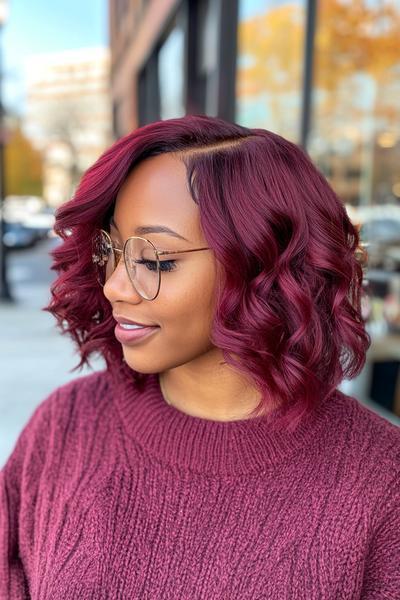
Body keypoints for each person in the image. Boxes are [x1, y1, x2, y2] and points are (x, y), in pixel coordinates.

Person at [0, 114, 399, 599]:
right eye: (113, 249)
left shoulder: (380, 481)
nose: (114, 285)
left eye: (156, 260)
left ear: (265, 265)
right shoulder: (66, 426)